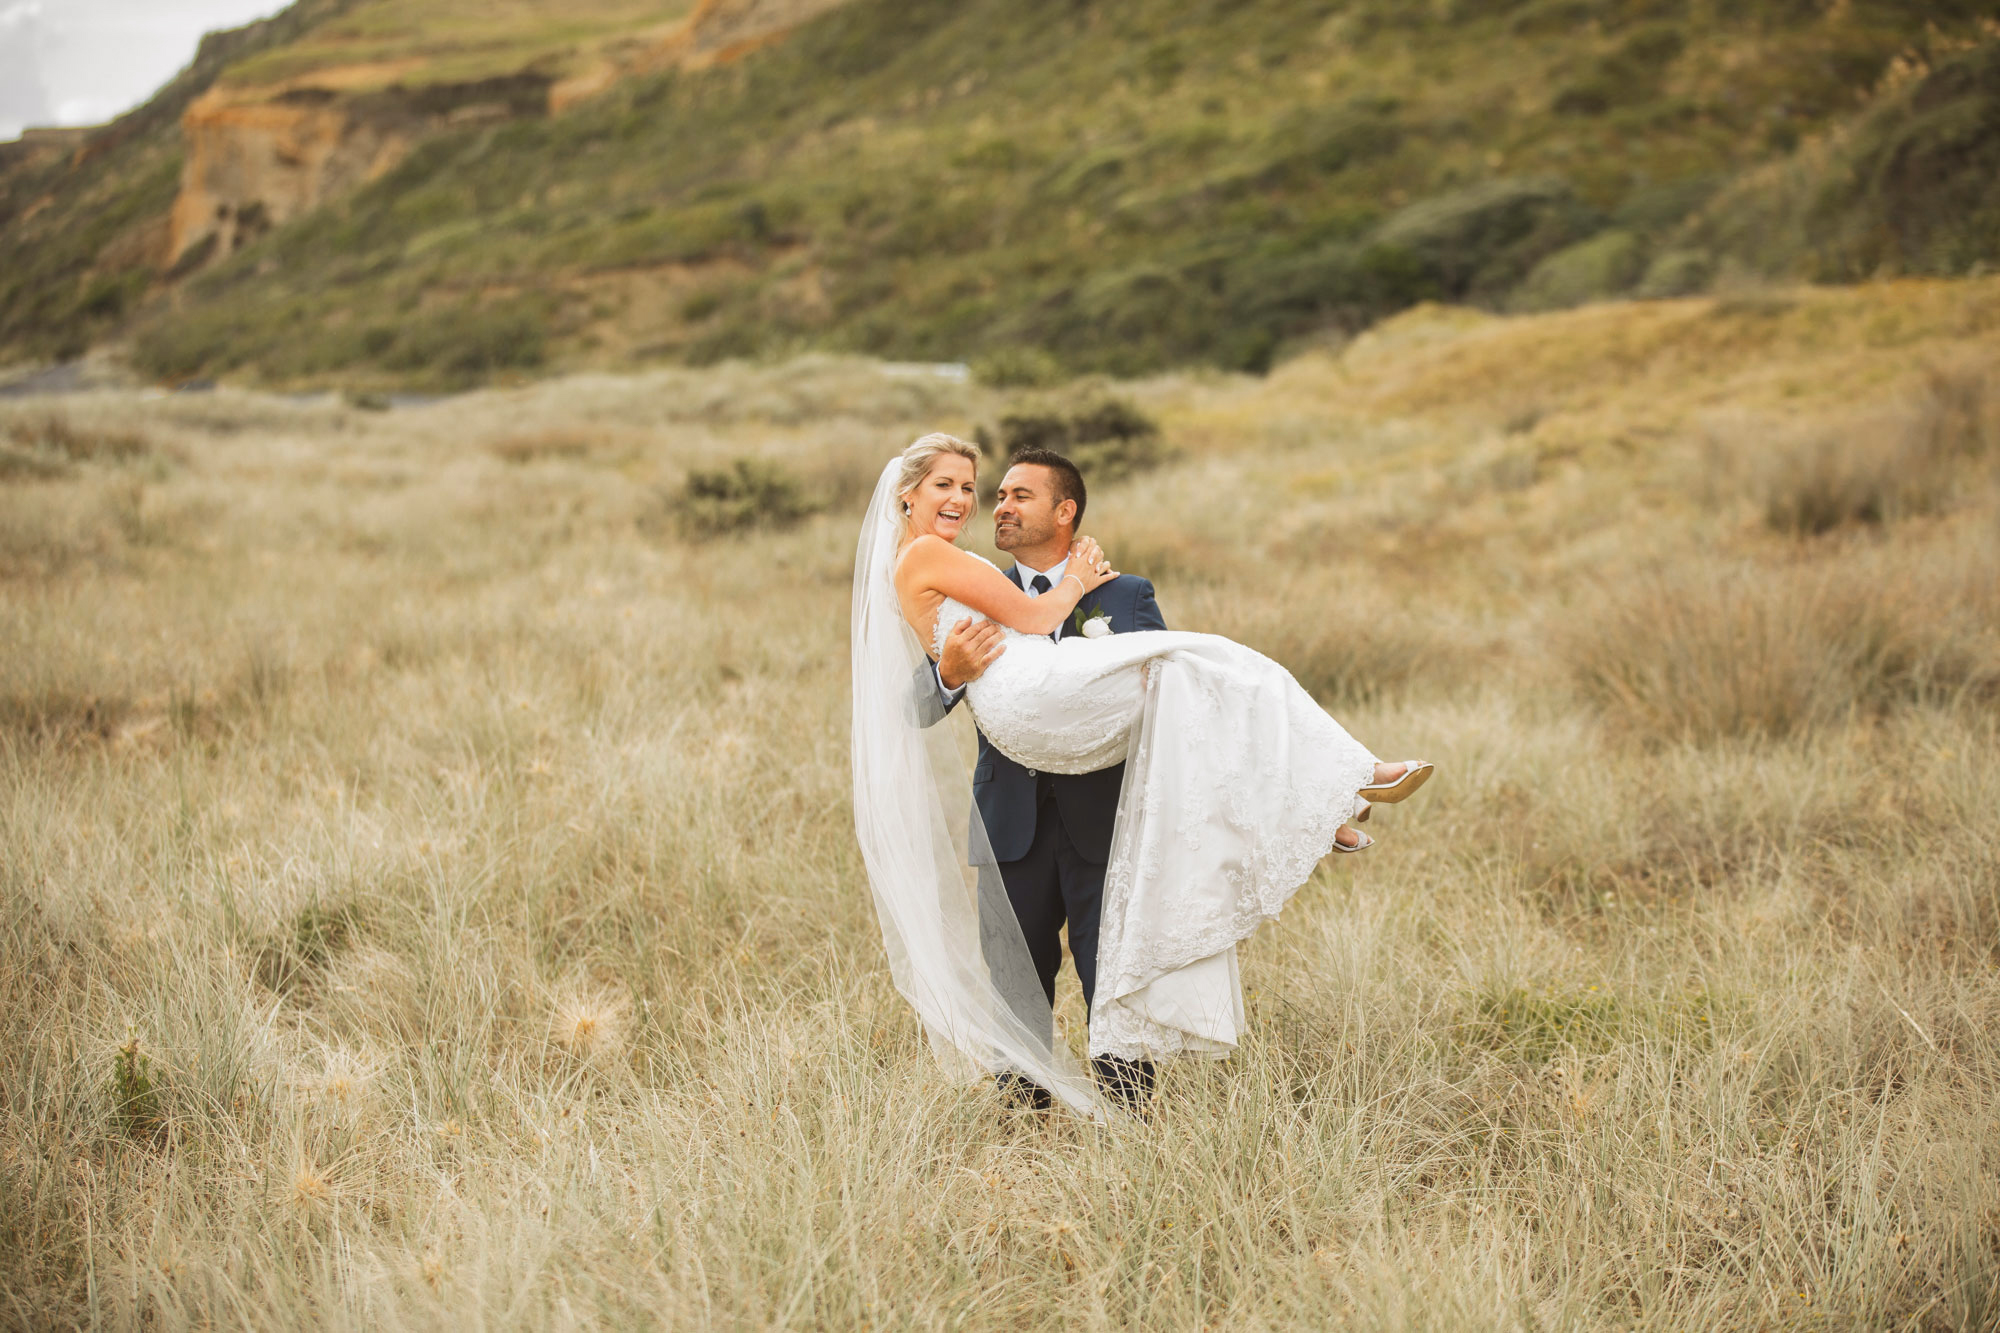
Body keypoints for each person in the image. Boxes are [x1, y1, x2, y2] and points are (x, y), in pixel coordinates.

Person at [850, 433, 1432, 1118]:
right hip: (1012, 823)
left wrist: (1086, 594)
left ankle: (1129, 1122)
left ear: (1065, 512)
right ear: (911, 494)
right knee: (1016, 982)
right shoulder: (973, 577)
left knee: (1116, 977)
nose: (989, 504)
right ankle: (1022, 1123)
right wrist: (950, 672)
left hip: (1107, 819)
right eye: (984, 491)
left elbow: (1172, 715)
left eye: (1007, 493)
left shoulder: (1126, 594)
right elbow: (907, 705)